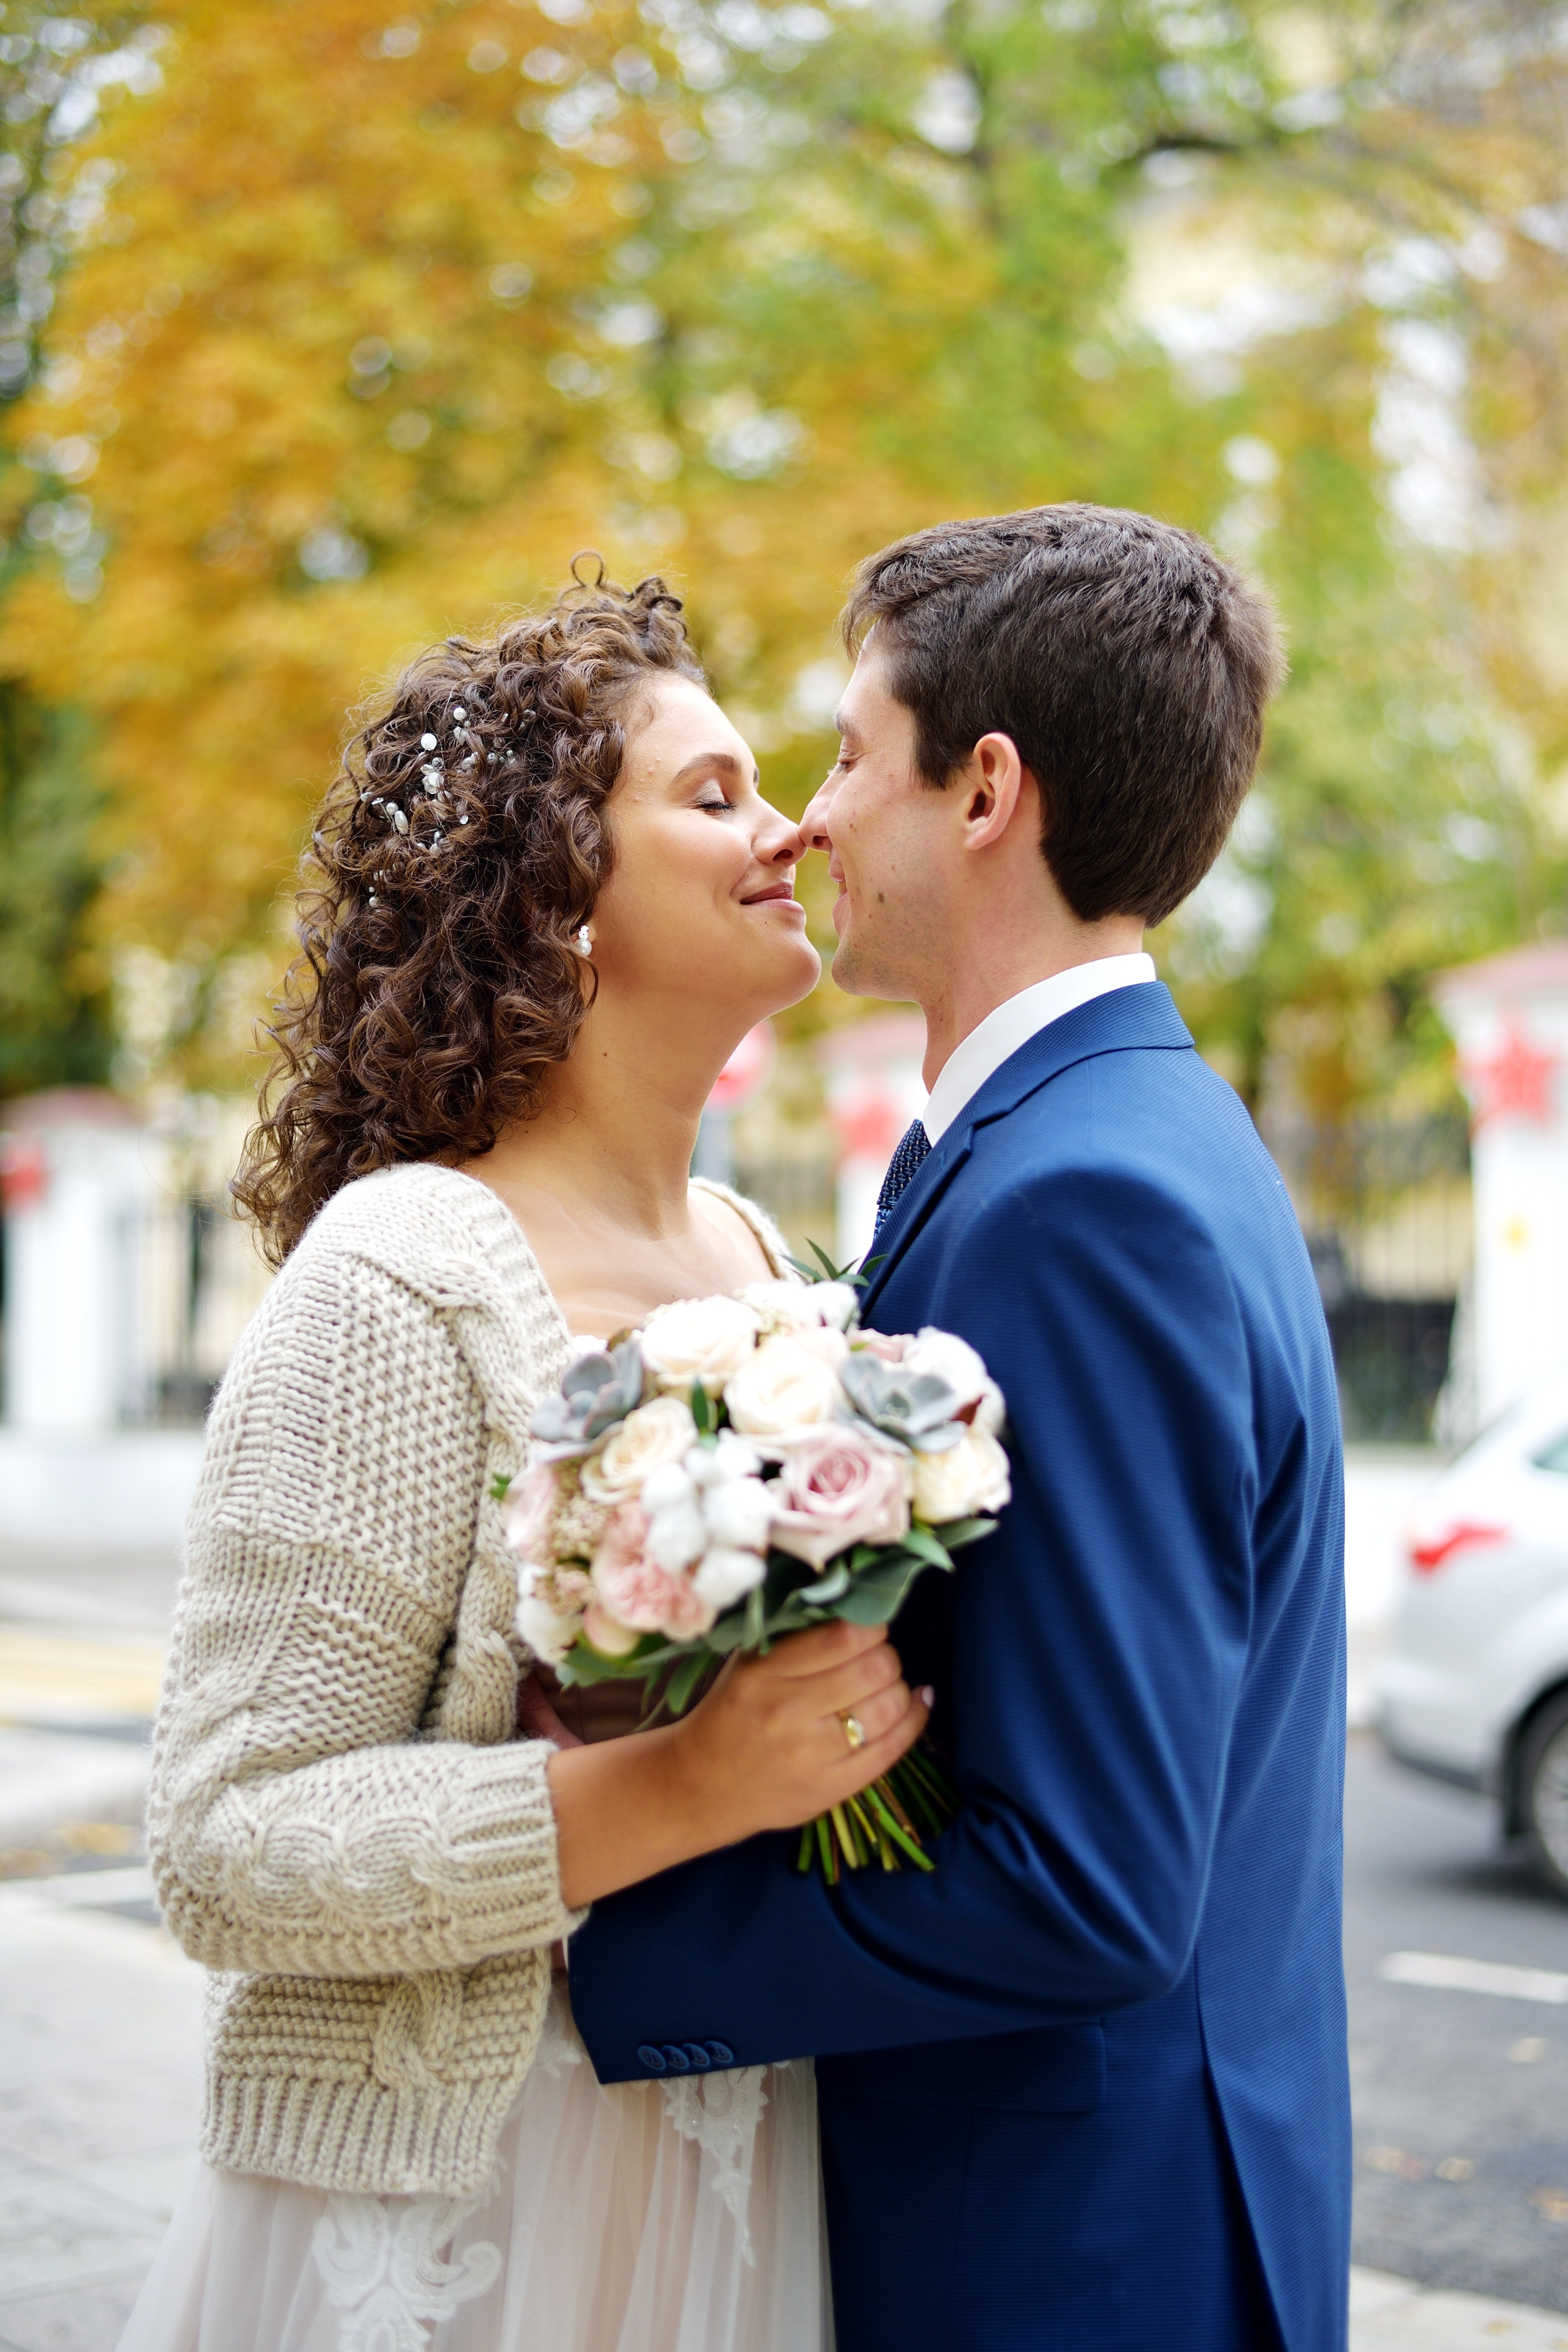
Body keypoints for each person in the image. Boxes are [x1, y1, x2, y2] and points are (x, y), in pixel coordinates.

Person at [569, 507, 1353, 2352]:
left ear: (984, 790)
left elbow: (1088, 1891)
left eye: (848, 753)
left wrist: (603, 1949)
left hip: (1071, 2260)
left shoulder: (1088, 1197)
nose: (810, 819)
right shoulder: (1112, 1136)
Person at [118, 569, 927, 2352]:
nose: (786, 824)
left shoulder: (773, 1266)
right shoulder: (402, 1271)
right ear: (560, 890)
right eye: (709, 795)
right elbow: (223, 1841)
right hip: (455, 2197)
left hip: (737, 2165)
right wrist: (683, 1791)